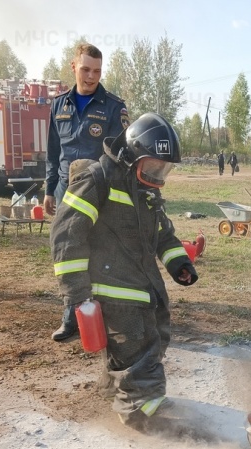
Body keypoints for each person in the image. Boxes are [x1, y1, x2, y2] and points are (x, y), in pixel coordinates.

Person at [50, 113, 198, 425]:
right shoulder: (97, 181)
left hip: (144, 288)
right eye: (153, 166)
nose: (158, 176)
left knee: (155, 337)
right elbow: (66, 237)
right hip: (112, 290)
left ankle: (117, 391)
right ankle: (142, 411)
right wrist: (76, 294)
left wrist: (179, 263)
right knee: (137, 346)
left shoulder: (146, 190)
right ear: (131, 157)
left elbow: (163, 234)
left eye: (164, 169)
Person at [44, 42, 130, 342]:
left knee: (101, 254)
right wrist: (49, 191)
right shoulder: (58, 106)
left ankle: (104, 316)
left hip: (98, 192)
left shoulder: (114, 107)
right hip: (66, 191)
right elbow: (53, 154)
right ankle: (71, 318)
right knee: (69, 254)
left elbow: (121, 155)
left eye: (96, 71)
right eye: (85, 70)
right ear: (73, 67)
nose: (91, 77)